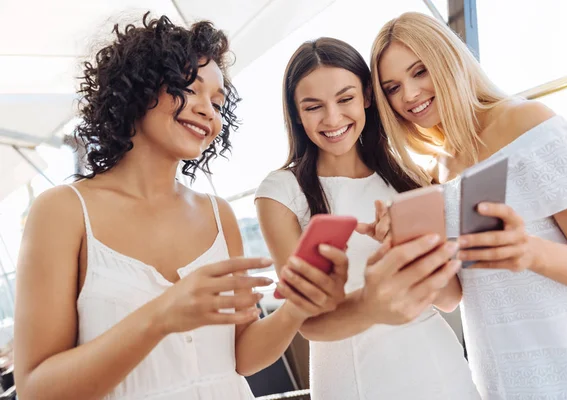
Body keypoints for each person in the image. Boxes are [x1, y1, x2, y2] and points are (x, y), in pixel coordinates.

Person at [14, 14, 349, 400]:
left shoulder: (218, 214)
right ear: (138, 89)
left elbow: (240, 358)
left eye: (218, 102)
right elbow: (36, 389)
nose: (209, 111)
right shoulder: (63, 211)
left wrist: (296, 308)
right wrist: (161, 316)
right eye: (190, 88)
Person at [370, 11, 567, 398]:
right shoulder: (437, 173)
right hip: (501, 376)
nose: (409, 95)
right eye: (392, 87)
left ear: (448, 60)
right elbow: (453, 297)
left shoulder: (529, 124)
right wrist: (407, 250)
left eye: (420, 71)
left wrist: (534, 252)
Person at [255, 37, 480, 400]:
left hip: (439, 368)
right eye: (314, 107)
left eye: (345, 99)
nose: (332, 118)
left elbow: (450, 296)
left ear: (367, 97)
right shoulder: (281, 191)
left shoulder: (408, 178)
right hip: (353, 378)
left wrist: (403, 243)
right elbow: (309, 323)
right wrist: (373, 304)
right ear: (296, 114)